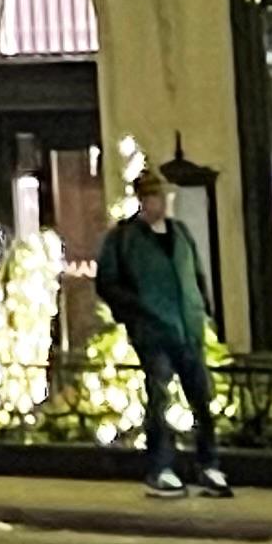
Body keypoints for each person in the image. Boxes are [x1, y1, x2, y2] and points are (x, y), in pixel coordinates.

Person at [95, 169, 230, 498]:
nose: (159, 204)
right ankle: (160, 468)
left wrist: (204, 313)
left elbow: (195, 276)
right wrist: (136, 313)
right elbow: (107, 283)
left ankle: (208, 464)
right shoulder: (125, 238)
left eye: (161, 197)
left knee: (201, 397)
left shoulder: (179, 233)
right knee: (160, 398)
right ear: (142, 201)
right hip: (154, 331)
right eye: (152, 198)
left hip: (188, 328)